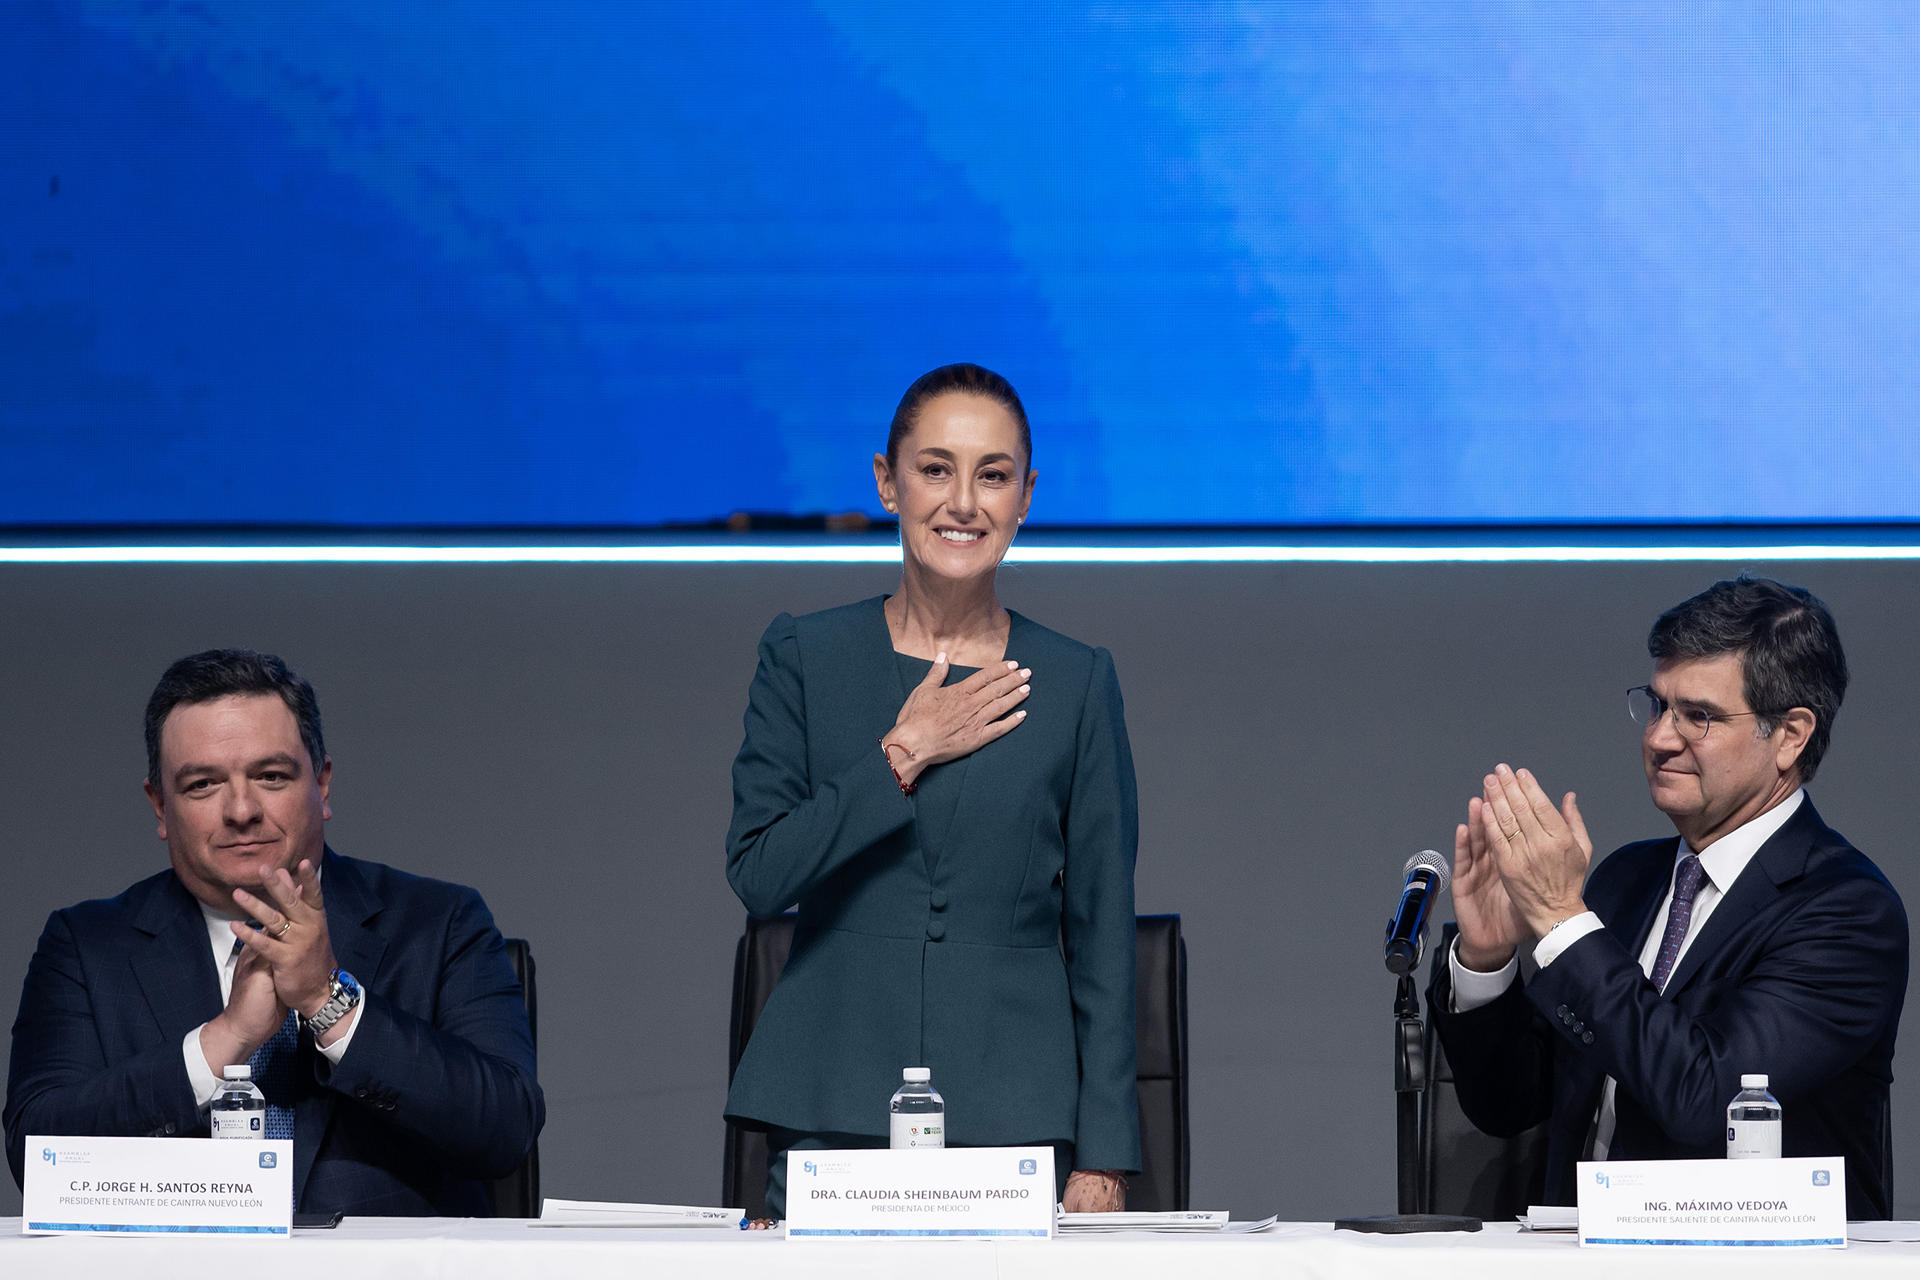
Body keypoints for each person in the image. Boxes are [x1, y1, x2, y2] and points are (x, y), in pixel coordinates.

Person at [724, 363, 1140, 1217]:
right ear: (887, 482)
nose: (963, 502)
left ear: (1025, 497)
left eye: (992, 475)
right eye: (935, 469)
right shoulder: (804, 654)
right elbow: (761, 873)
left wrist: (1104, 1154)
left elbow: (1102, 933)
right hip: (829, 1098)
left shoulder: (1075, 680)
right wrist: (902, 753)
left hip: (1014, 1112)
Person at [1430, 575, 1908, 1219]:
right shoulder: (1627, 881)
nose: (1659, 738)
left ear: (1790, 735)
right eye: (1657, 706)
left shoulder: (1847, 910)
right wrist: (1487, 963)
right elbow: (1511, 1105)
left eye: (1699, 716)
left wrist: (1563, 921)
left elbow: (1707, 1101)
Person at [4, 649, 543, 1215]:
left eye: (270, 776)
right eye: (203, 785)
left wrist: (326, 1000)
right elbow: (38, 1152)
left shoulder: (441, 922)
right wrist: (225, 1040)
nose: (241, 809)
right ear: (160, 806)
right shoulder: (87, 946)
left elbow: (506, 1130)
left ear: (324, 784)